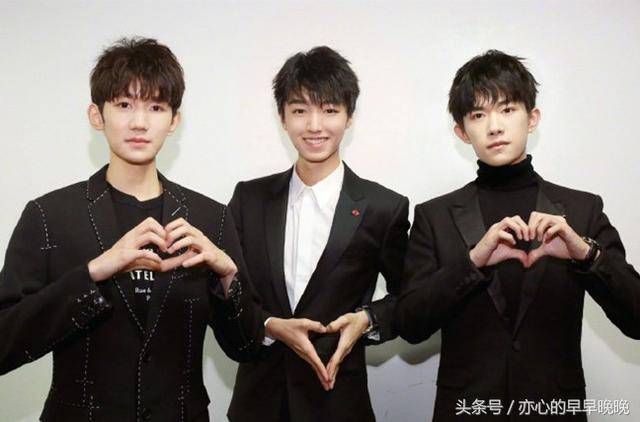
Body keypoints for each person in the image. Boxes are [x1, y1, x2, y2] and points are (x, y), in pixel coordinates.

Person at [0, 37, 263, 422]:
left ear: (174, 121)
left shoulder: (210, 219)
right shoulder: (49, 216)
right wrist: (93, 273)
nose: (140, 122)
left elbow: (246, 347)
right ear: (97, 116)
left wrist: (228, 277)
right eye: (124, 105)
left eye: (156, 107)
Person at [395, 50, 640, 421]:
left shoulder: (582, 210)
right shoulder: (435, 216)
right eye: (478, 115)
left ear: (532, 118)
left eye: (507, 109)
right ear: (462, 131)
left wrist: (586, 255)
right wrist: (472, 263)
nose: (494, 127)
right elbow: (410, 325)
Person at [227, 46, 410, 421]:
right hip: (258, 405)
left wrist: (368, 319)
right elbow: (225, 293)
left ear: (349, 116)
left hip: (338, 402)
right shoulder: (249, 199)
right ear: (282, 117)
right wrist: (269, 326)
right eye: (300, 110)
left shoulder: (383, 207)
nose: (314, 126)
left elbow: (411, 295)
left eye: (329, 110)